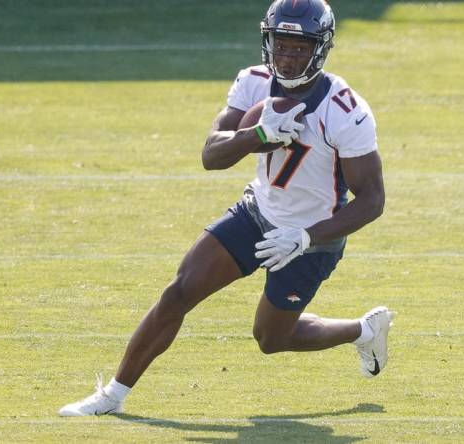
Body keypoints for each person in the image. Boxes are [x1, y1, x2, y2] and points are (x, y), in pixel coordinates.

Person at [58, 0, 394, 417]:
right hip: (257, 213)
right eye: (281, 44)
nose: (288, 56)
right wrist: (254, 134)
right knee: (179, 291)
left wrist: (305, 237)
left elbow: (373, 200)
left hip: (313, 236)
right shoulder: (253, 82)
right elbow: (211, 156)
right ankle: (113, 395)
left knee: (270, 338)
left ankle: (364, 330)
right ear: (267, 40)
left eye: (299, 47)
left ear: (320, 48)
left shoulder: (345, 110)